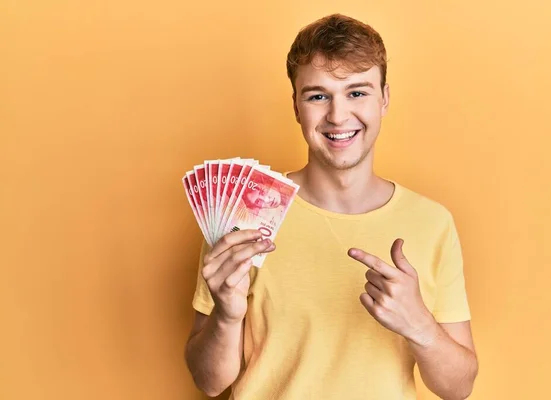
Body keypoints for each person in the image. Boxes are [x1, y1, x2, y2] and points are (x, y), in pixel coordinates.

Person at [184, 13, 478, 400]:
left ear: (384, 99)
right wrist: (226, 315)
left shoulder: (432, 222)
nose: (338, 116)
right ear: (296, 105)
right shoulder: (243, 216)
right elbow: (210, 382)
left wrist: (420, 325)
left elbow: (459, 388)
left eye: (357, 92)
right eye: (318, 96)